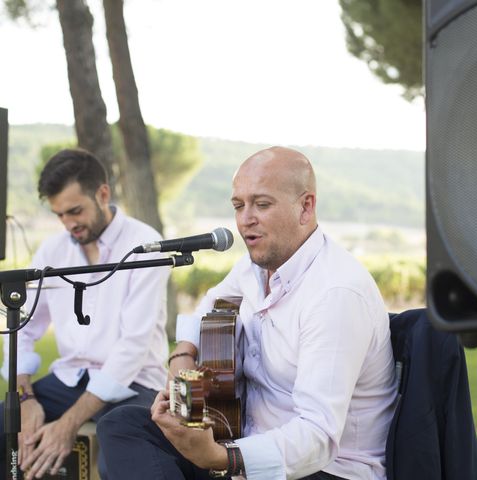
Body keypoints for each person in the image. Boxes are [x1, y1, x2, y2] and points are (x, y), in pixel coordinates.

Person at [97, 146, 398, 479]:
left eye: (262, 204)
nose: (245, 220)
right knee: (122, 425)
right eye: (239, 206)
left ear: (306, 207)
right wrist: (182, 359)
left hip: (323, 470)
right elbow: (210, 303)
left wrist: (219, 457)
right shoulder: (257, 267)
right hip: (238, 442)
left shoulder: (336, 295)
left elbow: (317, 436)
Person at [0, 148, 171, 479]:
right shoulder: (52, 250)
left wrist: (67, 424)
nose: (68, 224)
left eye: (75, 211)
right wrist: (25, 397)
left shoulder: (145, 245)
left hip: (134, 383)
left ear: (102, 193)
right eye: (59, 214)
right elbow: (23, 328)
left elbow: (132, 348)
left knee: (119, 444)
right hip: (69, 378)